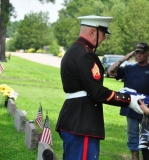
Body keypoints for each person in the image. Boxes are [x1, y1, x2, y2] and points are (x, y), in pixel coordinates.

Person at [55, 15, 143, 160]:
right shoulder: (86, 55)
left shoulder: (75, 50)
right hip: (82, 122)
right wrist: (128, 99)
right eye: (103, 33)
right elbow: (97, 92)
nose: (104, 38)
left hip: (75, 118)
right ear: (92, 32)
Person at [108, 42, 149, 160]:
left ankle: (148, 156)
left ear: (147, 54)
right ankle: (135, 157)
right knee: (132, 134)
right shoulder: (128, 68)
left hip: (148, 107)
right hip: (131, 107)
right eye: (137, 52)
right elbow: (111, 72)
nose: (139, 55)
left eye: (142, 53)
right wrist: (124, 58)